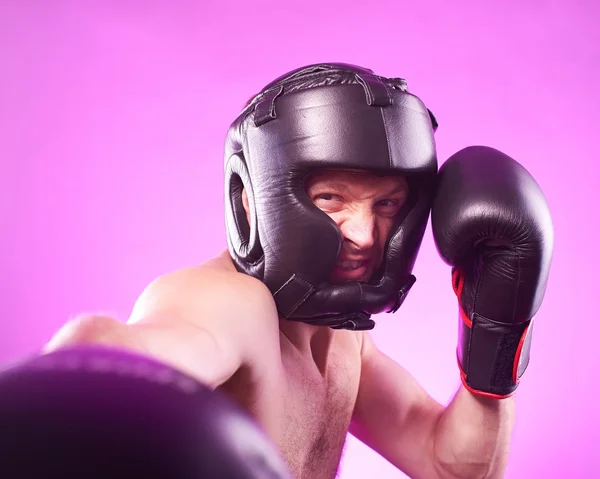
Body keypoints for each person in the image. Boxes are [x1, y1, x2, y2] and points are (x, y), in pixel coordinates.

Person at [12, 63, 554, 479]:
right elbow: (99, 352)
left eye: (387, 205)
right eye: (330, 199)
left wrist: (495, 331)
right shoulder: (229, 305)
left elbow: (450, 466)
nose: (364, 235)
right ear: (251, 200)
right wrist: (83, 368)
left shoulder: (344, 342)